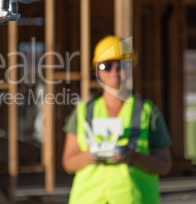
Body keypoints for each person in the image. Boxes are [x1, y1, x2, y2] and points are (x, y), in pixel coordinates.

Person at [62, 35, 172, 204]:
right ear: (98, 71)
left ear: (131, 69)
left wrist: (133, 157)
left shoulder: (149, 112)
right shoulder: (83, 112)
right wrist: (91, 155)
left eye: (122, 64)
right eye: (107, 65)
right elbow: (68, 163)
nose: (115, 70)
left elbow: (164, 165)